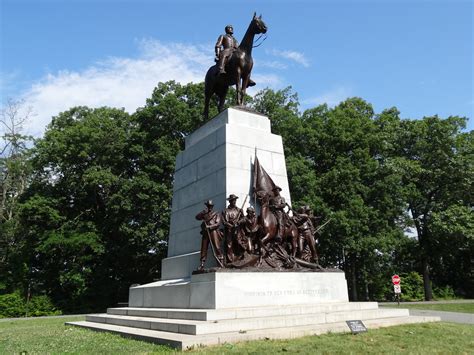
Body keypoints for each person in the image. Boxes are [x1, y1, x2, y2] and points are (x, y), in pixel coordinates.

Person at [195, 200, 224, 270]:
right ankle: (202, 264)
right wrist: (202, 213)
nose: (209, 207)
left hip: (213, 231)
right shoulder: (204, 213)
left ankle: (221, 261)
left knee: (217, 247)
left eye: (210, 206)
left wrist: (210, 227)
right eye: (208, 206)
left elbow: (217, 224)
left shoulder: (216, 213)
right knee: (204, 248)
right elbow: (197, 217)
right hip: (205, 232)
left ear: (212, 206)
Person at [222, 194, 242, 263]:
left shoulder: (239, 210)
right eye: (233, 200)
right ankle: (230, 260)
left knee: (239, 242)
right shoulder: (225, 211)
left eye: (235, 200)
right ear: (230, 201)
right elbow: (224, 222)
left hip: (237, 230)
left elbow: (244, 218)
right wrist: (230, 225)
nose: (234, 201)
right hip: (229, 230)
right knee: (229, 245)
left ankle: (239, 257)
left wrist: (238, 222)